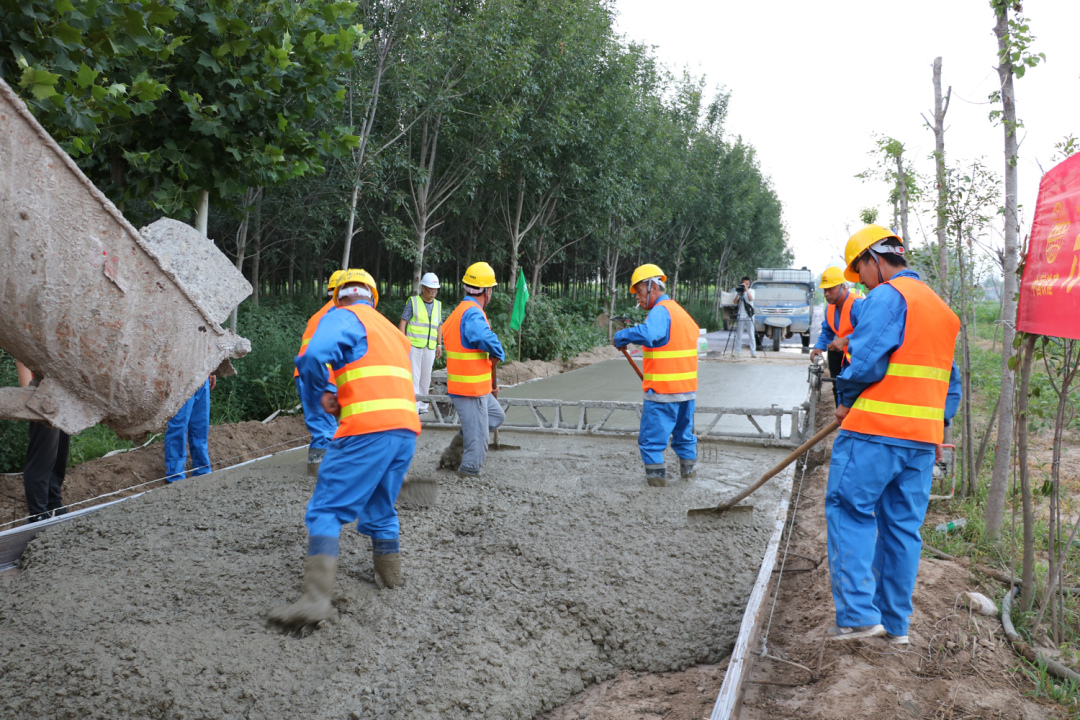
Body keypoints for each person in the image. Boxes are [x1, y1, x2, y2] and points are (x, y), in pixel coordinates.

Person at [825, 225, 961, 645]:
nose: (861, 282)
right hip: (921, 442)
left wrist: (845, 395)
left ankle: (858, 616)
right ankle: (894, 627)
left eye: (860, 271)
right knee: (903, 529)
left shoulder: (888, 295)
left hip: (875, 432)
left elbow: (866, 360)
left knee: (849, 510)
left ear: (875, 259)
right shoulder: (941, 309)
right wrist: (936, 429)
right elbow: (950, 385)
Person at [270, 269, 420, 628]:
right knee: (381, 507)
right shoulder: (391, 330)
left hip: (365, 431)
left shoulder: (342, 316)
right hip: (406, 432)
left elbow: (310, 359)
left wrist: (323, 392)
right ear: (373, 296)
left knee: (325, 509)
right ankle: (391, 579)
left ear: (338, 297)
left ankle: (315, 601)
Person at [612, 264, 699, 487]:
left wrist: (623, 335)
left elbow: (650, 333)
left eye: (640, 293)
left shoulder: (660, 311)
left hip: (663, 394)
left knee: (651, 442)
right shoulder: (679, 311)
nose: (638, 299)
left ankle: (657, 487)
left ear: (653, 287)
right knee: (685, 438)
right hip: (686, 393)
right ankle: (689, 478)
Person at [438, 262, 506, 478]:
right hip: (470, 389)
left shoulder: (461, 311)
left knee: (495, 416)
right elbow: (484, 337)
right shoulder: (473, 313)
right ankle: (467, 471)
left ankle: (455, 449)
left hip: (475, 386)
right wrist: (498, 351)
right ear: (487, 291)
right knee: (478, 441)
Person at [295, 269, 345, 476]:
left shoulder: (320, 313)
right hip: (323, 375)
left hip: (307, 374)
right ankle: (324, 468)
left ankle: (316, 465)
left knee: (320, 422)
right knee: (326, 424)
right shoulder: (340, 313)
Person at [16, 360, 70, 522]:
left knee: (59, 455)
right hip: (40, 398)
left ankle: (54, 504)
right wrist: (31, 398)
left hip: (60, 395)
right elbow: (22, 358)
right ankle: (38, 513)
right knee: (42, 458)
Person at [810, 266, 864, 407]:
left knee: (855, 392)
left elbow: (869, 332)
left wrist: (846, 340)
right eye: (825, 290)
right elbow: (827, 331)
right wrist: (819, 347)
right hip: (844, 357)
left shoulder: (857, 305)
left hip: (860, 358)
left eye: (831, 289)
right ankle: (842, 421)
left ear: (843, 286)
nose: (827, 294)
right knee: (839, 387)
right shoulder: (831, 308)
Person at [398, 272, 443, 415]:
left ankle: (423, 407)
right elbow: (403, 322)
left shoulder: (438, 305)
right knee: (414, 377)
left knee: (426, 377)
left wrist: (439, 344)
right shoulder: (413, 302)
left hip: (429, 347)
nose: (433, 293)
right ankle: (414, 408)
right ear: (423, 288)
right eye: (431, 290)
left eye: (435, 290)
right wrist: (403, 342)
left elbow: (439, 325)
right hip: (414, 346)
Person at [164, 375, 216, 482]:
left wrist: (211, 369)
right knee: (178, 427)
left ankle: (203, 472)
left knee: (200, 427)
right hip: (181, 376)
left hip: (202, 375)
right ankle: (176, 477)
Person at [733, 276, 757, 358]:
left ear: (749, 284)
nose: (745, 285)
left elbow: (751, 299)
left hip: (749, 315)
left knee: (751, 335)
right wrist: (739, 293)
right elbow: (734, 302)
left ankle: (753, 352)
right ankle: (737, 351)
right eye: (744, 284)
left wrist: (746, 290)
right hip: (740, 315)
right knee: (739, 335)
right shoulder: (738, 291)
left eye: (747, 284)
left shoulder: (752, 291)